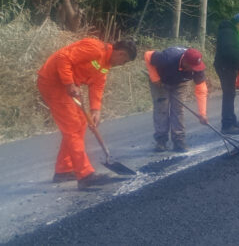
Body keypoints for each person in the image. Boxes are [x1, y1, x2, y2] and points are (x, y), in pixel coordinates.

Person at [37, 38, 136, 190]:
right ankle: (85, 175)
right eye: (125, 61)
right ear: (121, 54)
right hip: (53, 83)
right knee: (73, 127)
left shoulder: (105, 65)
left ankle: (64, 170)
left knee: (81, 124)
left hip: (67, 86)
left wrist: (95, 109)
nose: (122, 64)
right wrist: (69, 83)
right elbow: (62, 58)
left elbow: (97, 85)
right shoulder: (95, 49)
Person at [144, 47, 209, 152]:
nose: (195, 70)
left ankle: (179, 140)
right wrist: (155, 77)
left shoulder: (197, 67)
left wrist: (202, 113)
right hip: (161, 81)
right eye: (192, 67)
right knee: (162, 109)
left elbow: (201, 90)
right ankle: (161, 141)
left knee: (178, 109)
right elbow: (148, 55)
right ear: (185, 62)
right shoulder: (167, 57)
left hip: (181, 82)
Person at [215, 13, 239, 135]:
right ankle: (227, 125)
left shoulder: (230, 31)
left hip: (228, 66)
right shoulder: (228, 32)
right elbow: (229, 52)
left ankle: (232, 120)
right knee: (228, 95)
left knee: (231, 94)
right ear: (238, 24)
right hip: (225, 67)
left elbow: (233, 49)